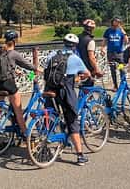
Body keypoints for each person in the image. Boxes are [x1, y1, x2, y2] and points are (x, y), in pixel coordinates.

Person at [42, 34, 91, 165]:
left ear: (63, 43)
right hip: (65, 91)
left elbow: (44, 70)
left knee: (50, 115)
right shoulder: (75, 58)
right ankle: (80, 155)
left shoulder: (52, 54)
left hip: (50, 89)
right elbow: (87, 73)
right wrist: (80, 78)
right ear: (75, 46)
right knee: (72, 120)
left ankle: (46, 144)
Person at [0, 30, 41, 142]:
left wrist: (15, 71)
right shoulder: (14, 53)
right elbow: (26, 64)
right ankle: (25, 133)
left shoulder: (0, 51)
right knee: (18, 110)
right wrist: (38, 69)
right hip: (9, 85)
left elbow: (4, 68)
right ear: (15, 41)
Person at [102, 18, 128, 90]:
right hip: (111, 53)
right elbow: (104, 40)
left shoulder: (120, 31)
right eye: (116, 21)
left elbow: (126, 41)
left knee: (121, 69)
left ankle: (123, 84)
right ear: (112, 22)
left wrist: (123, 31)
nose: (117, 23)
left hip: (119, 54)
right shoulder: (108, 31)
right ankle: (115, 85)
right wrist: (102, 48)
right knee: (112, 69)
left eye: (119, 22)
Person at [76, 19, 104, 87]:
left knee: (83, 89)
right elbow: (91, 58)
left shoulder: (78, 37)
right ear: (92, 29)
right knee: (88, 88)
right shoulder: (90, 41)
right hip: (87, 69)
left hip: (77, 66)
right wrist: (97, 69)